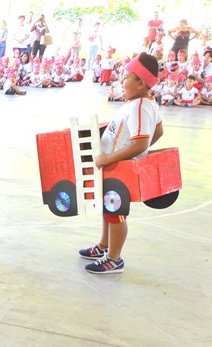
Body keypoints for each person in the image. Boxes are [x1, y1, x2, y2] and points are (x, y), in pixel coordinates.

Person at [78, 53, 163, 275]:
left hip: (120, 170)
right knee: (108, 209)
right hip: (115, 167)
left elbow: (141, 142)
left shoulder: (139, 107)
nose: (121, 81)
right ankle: (103, 246)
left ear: (141, 83)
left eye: (126, 77)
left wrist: (113, 157)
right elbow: (158, 131)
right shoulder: (143, 102)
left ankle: (114, 258)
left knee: (116, 213)